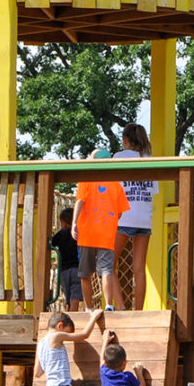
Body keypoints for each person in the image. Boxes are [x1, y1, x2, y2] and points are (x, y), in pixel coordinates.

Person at [73, 151, 129, 309]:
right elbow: (120, 211)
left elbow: (80, 201)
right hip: (106, 234)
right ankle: (109, 305)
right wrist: (111, 223)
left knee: (85, 273)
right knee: (106, 270)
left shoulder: (86, 180)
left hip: (87, 233)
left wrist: (74, 222)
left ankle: (89, 308)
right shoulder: (115, 184)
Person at [113, 123, 155, 310]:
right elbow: (154, 191)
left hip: (124, 216)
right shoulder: (150, 159)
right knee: (139, 268)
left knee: (108, 264)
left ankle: (121, 307)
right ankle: (138, 310)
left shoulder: (119, 157)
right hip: (144, 218)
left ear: (126, 140)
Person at [49, 205, 83, 312]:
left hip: (64, 270)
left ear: (63, 222)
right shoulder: (79, 232)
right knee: (75, 294)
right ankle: (73, 313)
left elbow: (52, 243)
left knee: (67, 295)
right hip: (77, 269)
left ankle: (68, 312)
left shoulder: (61, 234)